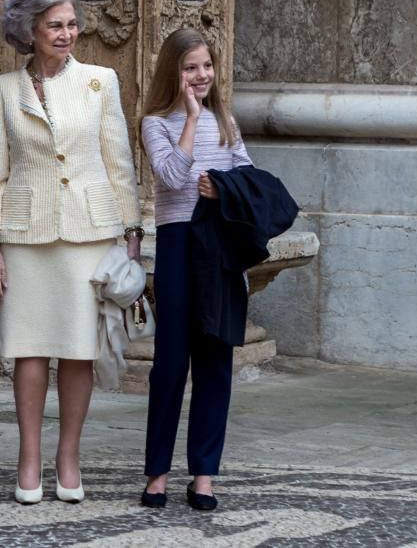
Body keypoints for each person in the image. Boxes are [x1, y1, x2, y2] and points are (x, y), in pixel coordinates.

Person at [0, 0, 143, 505]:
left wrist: (133, 234)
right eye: (55, 25)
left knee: (78, 351)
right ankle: (28, 457)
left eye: (72, 24)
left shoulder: (101, 81)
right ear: (29, 30)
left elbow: (120, 164)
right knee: (27, 351)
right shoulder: (2, 90)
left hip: (89, 233)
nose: (67, 33)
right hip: (26, 234)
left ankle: (68, 456)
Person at [139, 28, 253, 511]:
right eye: (190, 68)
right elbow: (168, 174)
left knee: (215, 362)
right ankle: (157, 475)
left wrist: (224, 189)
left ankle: (204, 476)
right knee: (169, 363)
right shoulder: (154, 122)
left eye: (206, 66)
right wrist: (188, 119)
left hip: (219, 247)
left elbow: (248, 175)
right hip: (178, 242)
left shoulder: (226, 119)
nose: (201, 75)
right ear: (174, 72)